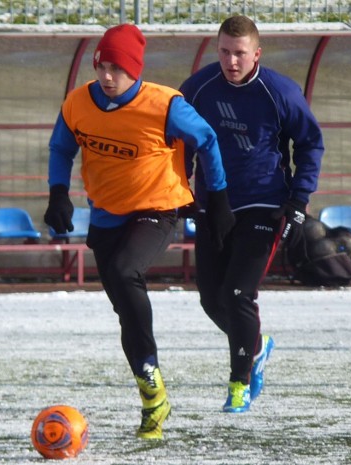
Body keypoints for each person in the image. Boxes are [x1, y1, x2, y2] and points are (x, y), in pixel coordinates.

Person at [43, 24, 234, 439]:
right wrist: (58, 193)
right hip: (106, 215)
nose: (107, 77)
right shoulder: (78, 102)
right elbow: (61, 147)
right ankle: (153, 396)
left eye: (117, 69)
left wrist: (216, 199)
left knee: (128, 271)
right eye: (102, 67)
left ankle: (149, 377)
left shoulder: (165, 105)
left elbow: (208, 140)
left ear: (135, 71)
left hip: (158, 208)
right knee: (123, 307)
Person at [180, 15, 324, 413]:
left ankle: (239, 385)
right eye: (224, 51)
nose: (231, 60)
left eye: (239, 53)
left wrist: (299, 200)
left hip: (264, 202)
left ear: (256, 53)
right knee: (211, 300)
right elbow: (179, 142)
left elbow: (309, 143)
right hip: (214, 205)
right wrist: (181, 190)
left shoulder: (279, 91)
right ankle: (256, 348)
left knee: (238, 293)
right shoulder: (198, 88)